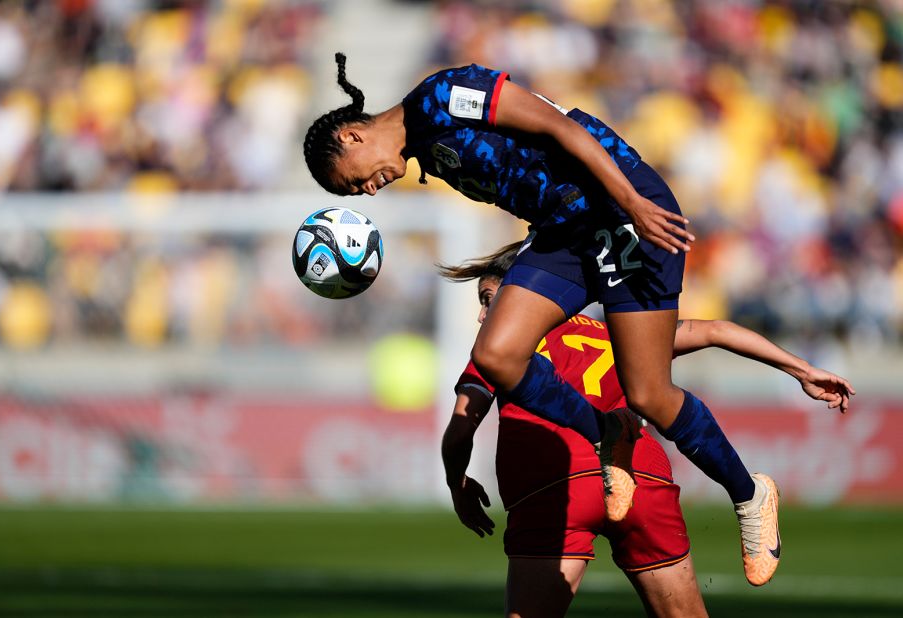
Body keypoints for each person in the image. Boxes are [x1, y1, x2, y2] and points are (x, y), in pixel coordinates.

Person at [302, 54, 856, 585]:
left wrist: (631, 200)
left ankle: (749, 493)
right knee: (496, 355)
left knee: (648, 394)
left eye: (352, 181)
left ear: (351, 136)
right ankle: (604, 430)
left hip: (623, 208)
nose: (366, 190)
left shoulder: (443, 96)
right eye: (354, 192)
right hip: (564, 235)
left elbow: (559, 125)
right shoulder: (428, 152)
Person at [438, 242, 855, 617]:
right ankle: (748, 494)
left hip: (554, 486)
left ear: (521, 298)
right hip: (640, 476)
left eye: (489, 300)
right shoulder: (614, 334)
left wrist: (457, 484)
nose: (482, 315)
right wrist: (803, 370)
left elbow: (460, 431)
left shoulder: (501, 350)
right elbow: (715, 330)